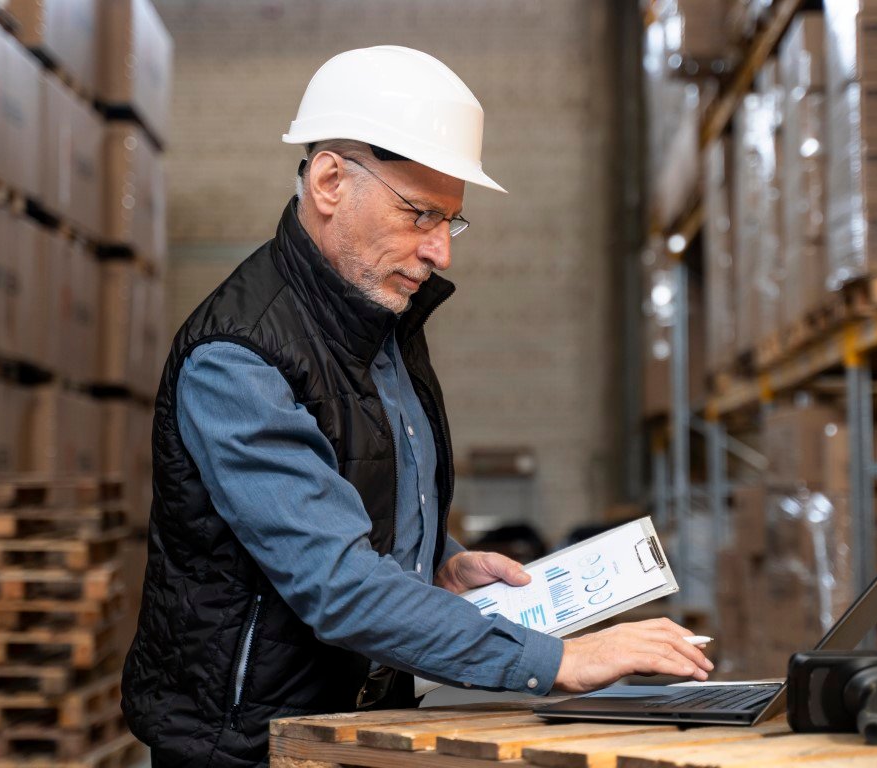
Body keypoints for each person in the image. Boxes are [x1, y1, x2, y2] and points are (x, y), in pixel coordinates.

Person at [120, 46, 712, 767]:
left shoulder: (382, 318)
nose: (440, 252)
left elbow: (355, 489)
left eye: (450, 222)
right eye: (420, 214)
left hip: (356, 721)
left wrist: (435, 559)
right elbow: (334, 582)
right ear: (331, 180)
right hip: (247, 745)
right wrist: (556, 660)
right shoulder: (239, 357)